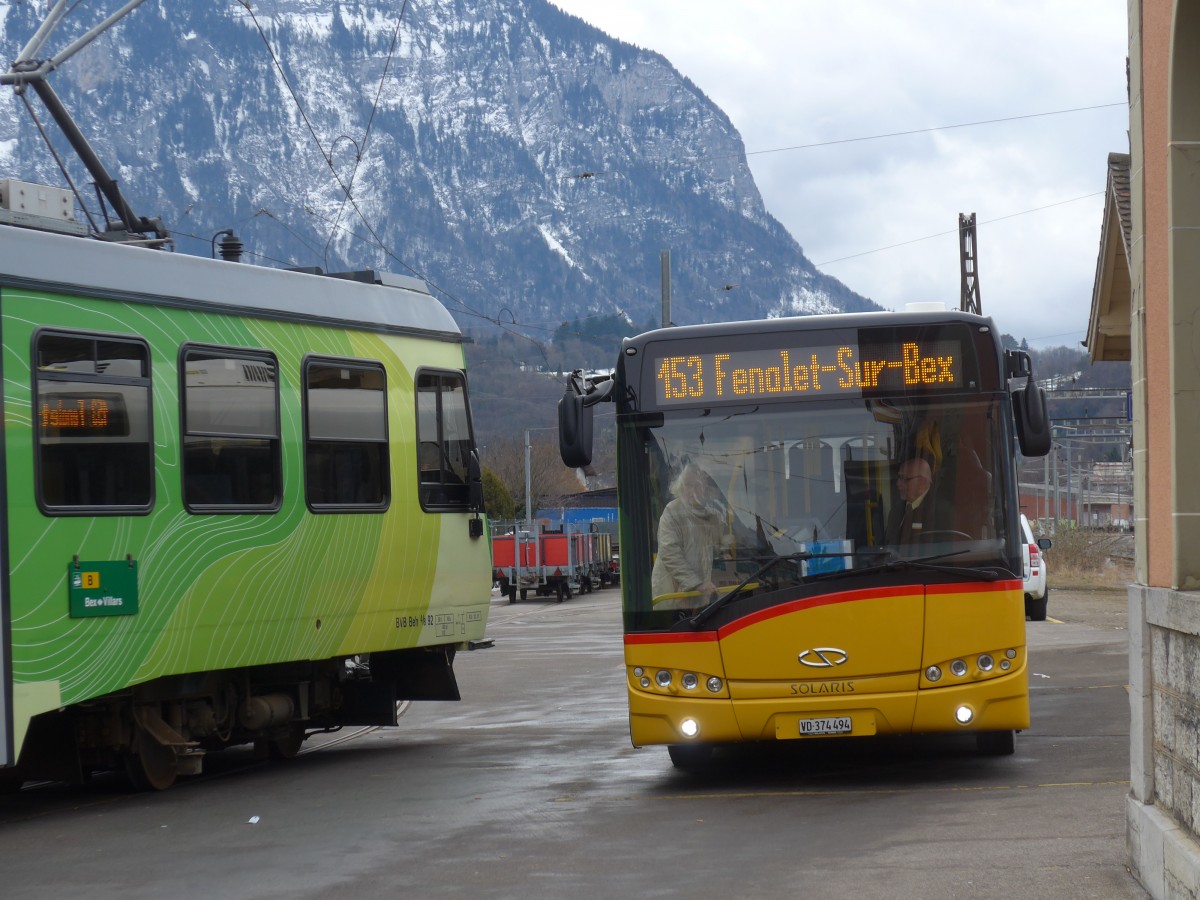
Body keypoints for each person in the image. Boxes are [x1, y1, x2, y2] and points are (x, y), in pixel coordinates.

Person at [651, 464, 730, 600]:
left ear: (705, 490)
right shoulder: (672, 512)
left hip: (701, 593)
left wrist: (725, 552)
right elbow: (670, 553)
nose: (693, 491)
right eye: (688, 485)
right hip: (673, 596)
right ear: (681, 488)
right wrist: (696, 583)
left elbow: (720, 545)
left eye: (698, 486)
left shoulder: (713, 517)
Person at [885, 456, 941, 546]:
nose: (898, 484)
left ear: (922, 482)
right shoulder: (896, 510)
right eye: (899, 477)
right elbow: (886, 544)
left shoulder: (940, 512)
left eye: (904, 478)